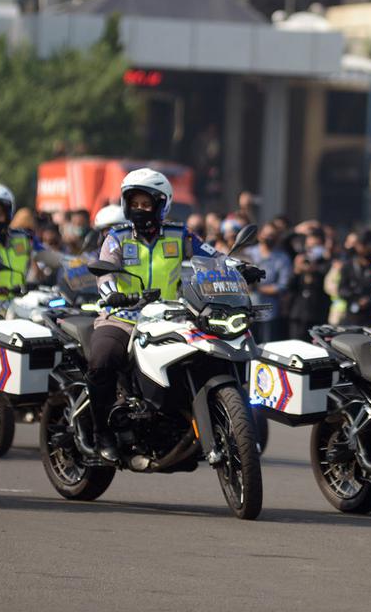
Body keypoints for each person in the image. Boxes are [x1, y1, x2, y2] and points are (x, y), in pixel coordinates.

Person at [87, 169, 258, 461]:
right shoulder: (117, 237)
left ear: (161, 204)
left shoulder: (180, 235)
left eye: (146, 204)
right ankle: (101, 431)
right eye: (134, 203)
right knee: (102, 360)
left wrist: (239, 267)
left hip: (173, 315)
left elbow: (212, 257)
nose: (140, 210)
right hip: (123, 316)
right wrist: (113, 294)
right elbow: (104, 271)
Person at [0, 184, 58, 316]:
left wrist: (75, 262)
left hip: (24, 305)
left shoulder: (25, 238)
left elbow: (51, 258)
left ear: (7, 212)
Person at [249, 223, 292, 343]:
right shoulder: (248, 254)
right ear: (259, 235)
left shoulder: (282, 258)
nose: (268, 238)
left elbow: (282, 286)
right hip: (246, 311)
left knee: (265, 348)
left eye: (272, 235)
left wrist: (257, 288)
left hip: (269, 314)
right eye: (266, 235)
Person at [287, 229, 332, 340]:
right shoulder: (301, 260)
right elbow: (289, 286)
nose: (312, 250)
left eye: (316, 246)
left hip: (318, 314)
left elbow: (328, 285)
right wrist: (297, 270)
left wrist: (315, 269)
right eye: (309, 247)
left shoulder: (327, 263)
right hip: (299, 314)